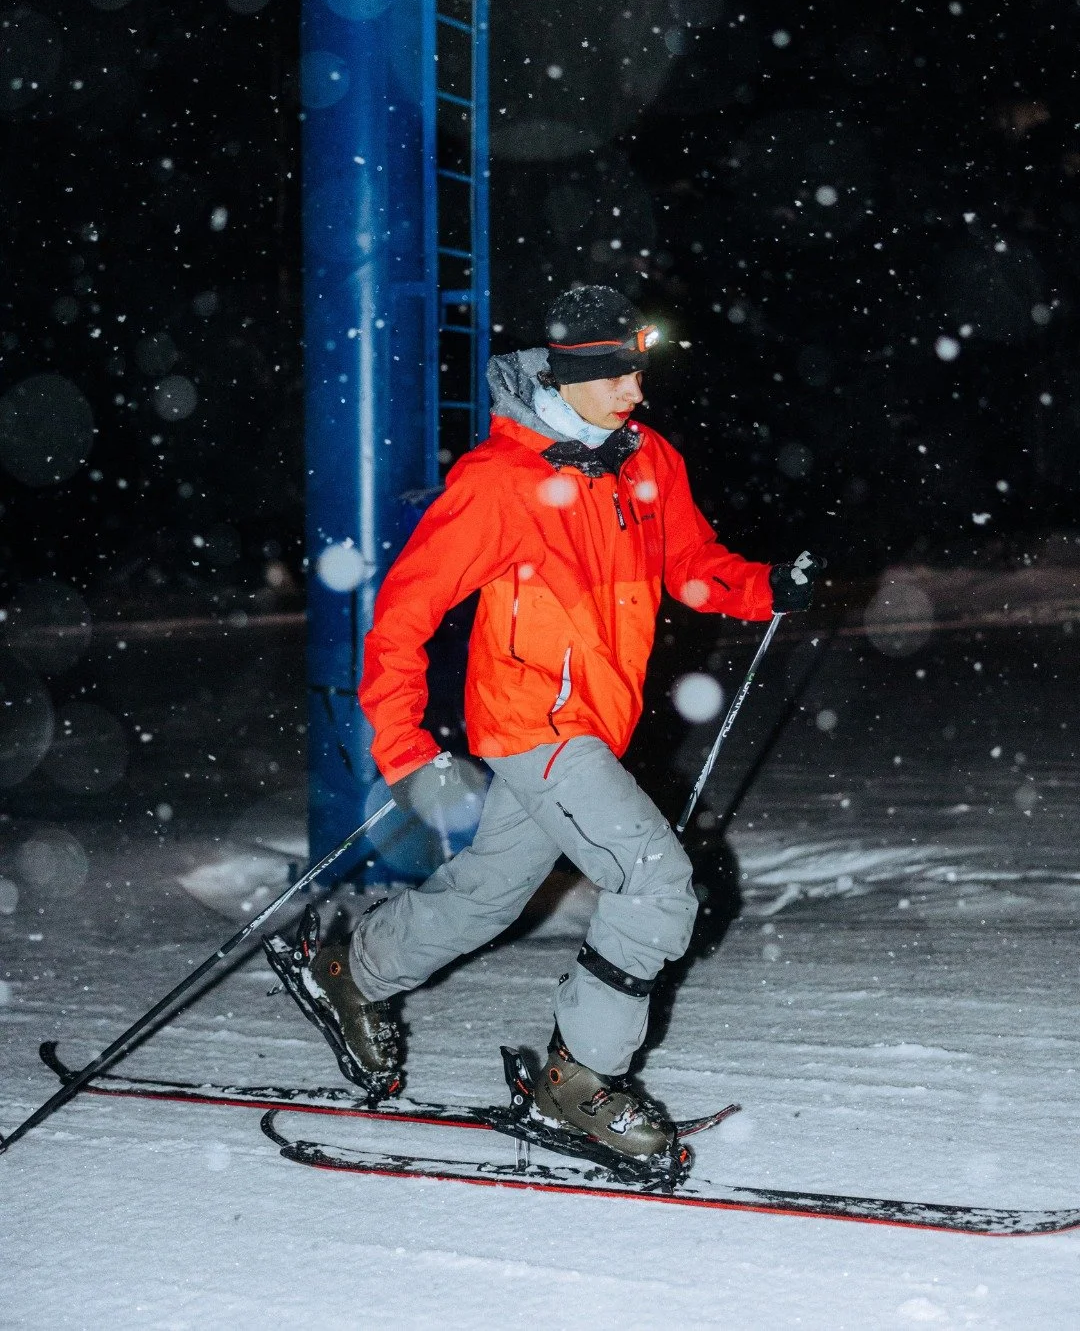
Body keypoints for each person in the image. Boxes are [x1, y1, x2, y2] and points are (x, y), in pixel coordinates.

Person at [273, 285, 819, 1162]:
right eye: (616, 376)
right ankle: (579, 1080)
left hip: (595, 725)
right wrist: (404, 748)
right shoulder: (501, 481)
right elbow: (402, 616)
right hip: (535, 724)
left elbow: (690, 564)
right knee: (655, 881)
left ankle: (350, 971)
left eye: (638, 372)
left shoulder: (647, 460)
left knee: (489, 894)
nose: (636, 392)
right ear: (566, 377)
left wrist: (763, 587)